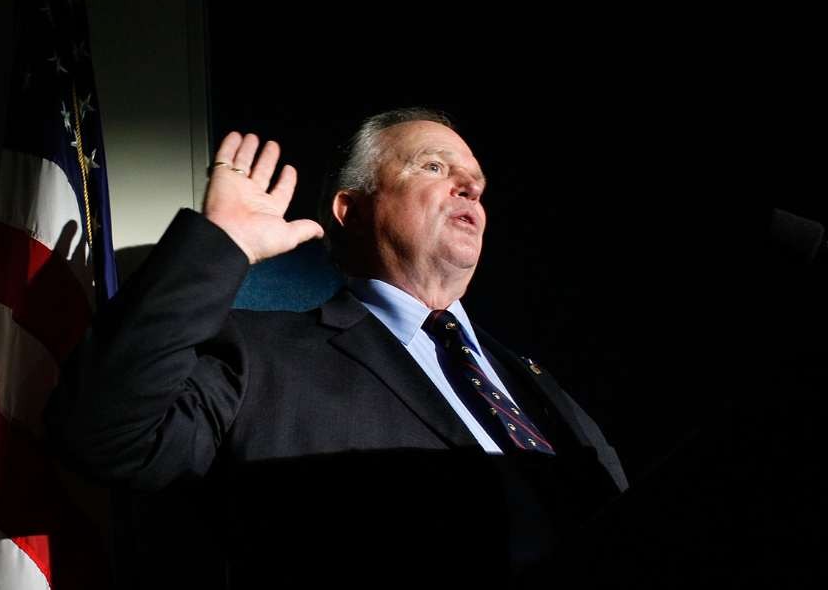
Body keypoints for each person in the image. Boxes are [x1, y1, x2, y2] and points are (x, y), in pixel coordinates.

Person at [46, 108, 628, 588]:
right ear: (350, 209)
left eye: (476, 180)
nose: (471, 186)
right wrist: (220, 244)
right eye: (433, 165)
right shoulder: (259, 357)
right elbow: (104, 434)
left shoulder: (532, 383)